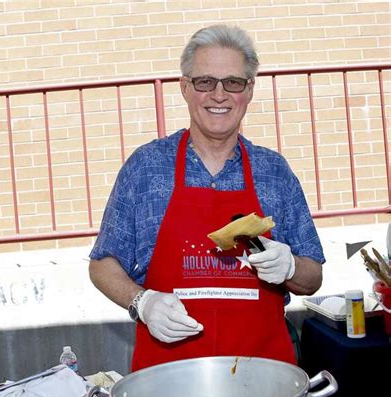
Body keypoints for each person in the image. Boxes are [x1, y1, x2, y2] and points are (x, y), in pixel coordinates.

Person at [89, 24, 324, 371]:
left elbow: (313, 276)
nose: (219, 95)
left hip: (263, 380)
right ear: (185, 88)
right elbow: (102, 264)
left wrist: (290, 267)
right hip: (167, 381)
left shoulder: (275, 172)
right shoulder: (146, 167)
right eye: (205, 82)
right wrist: (142, 301)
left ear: (249, 90)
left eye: (233, 82)